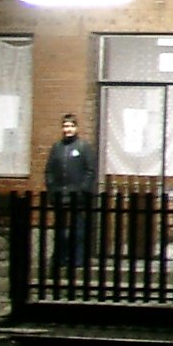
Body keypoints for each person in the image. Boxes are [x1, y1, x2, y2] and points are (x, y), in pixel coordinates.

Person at [45, 113, 97, 270]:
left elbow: (90, 170)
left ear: (76, 128)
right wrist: (52, 188)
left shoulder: (83, 147)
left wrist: (82, 189)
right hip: (60, 195)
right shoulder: (57, 148)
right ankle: (60, 258)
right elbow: (49, 171)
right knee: (60, 230)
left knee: (78, 229)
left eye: (71, 126)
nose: (68, 129)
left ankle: (78, 259)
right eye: (65, 126)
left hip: (77, 197)